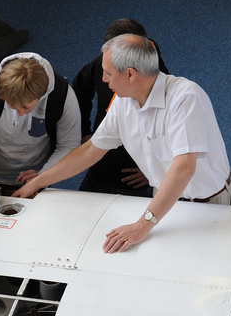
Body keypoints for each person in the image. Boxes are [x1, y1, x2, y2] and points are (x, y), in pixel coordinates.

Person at [13, 34, 231, 253]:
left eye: (108, 73)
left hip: (210, 202)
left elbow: (184, 168)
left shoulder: (186, 97)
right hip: (165, 200)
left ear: (131, 74)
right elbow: (92, 150)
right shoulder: (123, 102)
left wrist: (143, 225)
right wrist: (37, 183)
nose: (103, 79)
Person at [0, 53, 80, 203]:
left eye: (26, 108)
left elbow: (69, 145)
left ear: (41, 95)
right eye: (12, 106)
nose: (20, 114)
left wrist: (43, 176)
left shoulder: (62, 95)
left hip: (39, 174)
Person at [72, 19, 170, 197]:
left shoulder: (166, 88)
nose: (104, 77)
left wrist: (156, 170)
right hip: (98, 169)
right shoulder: (104, 63)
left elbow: (178, 143)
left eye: (109, 71)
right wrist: (84, 132)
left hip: (138, 182)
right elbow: (80, 88)